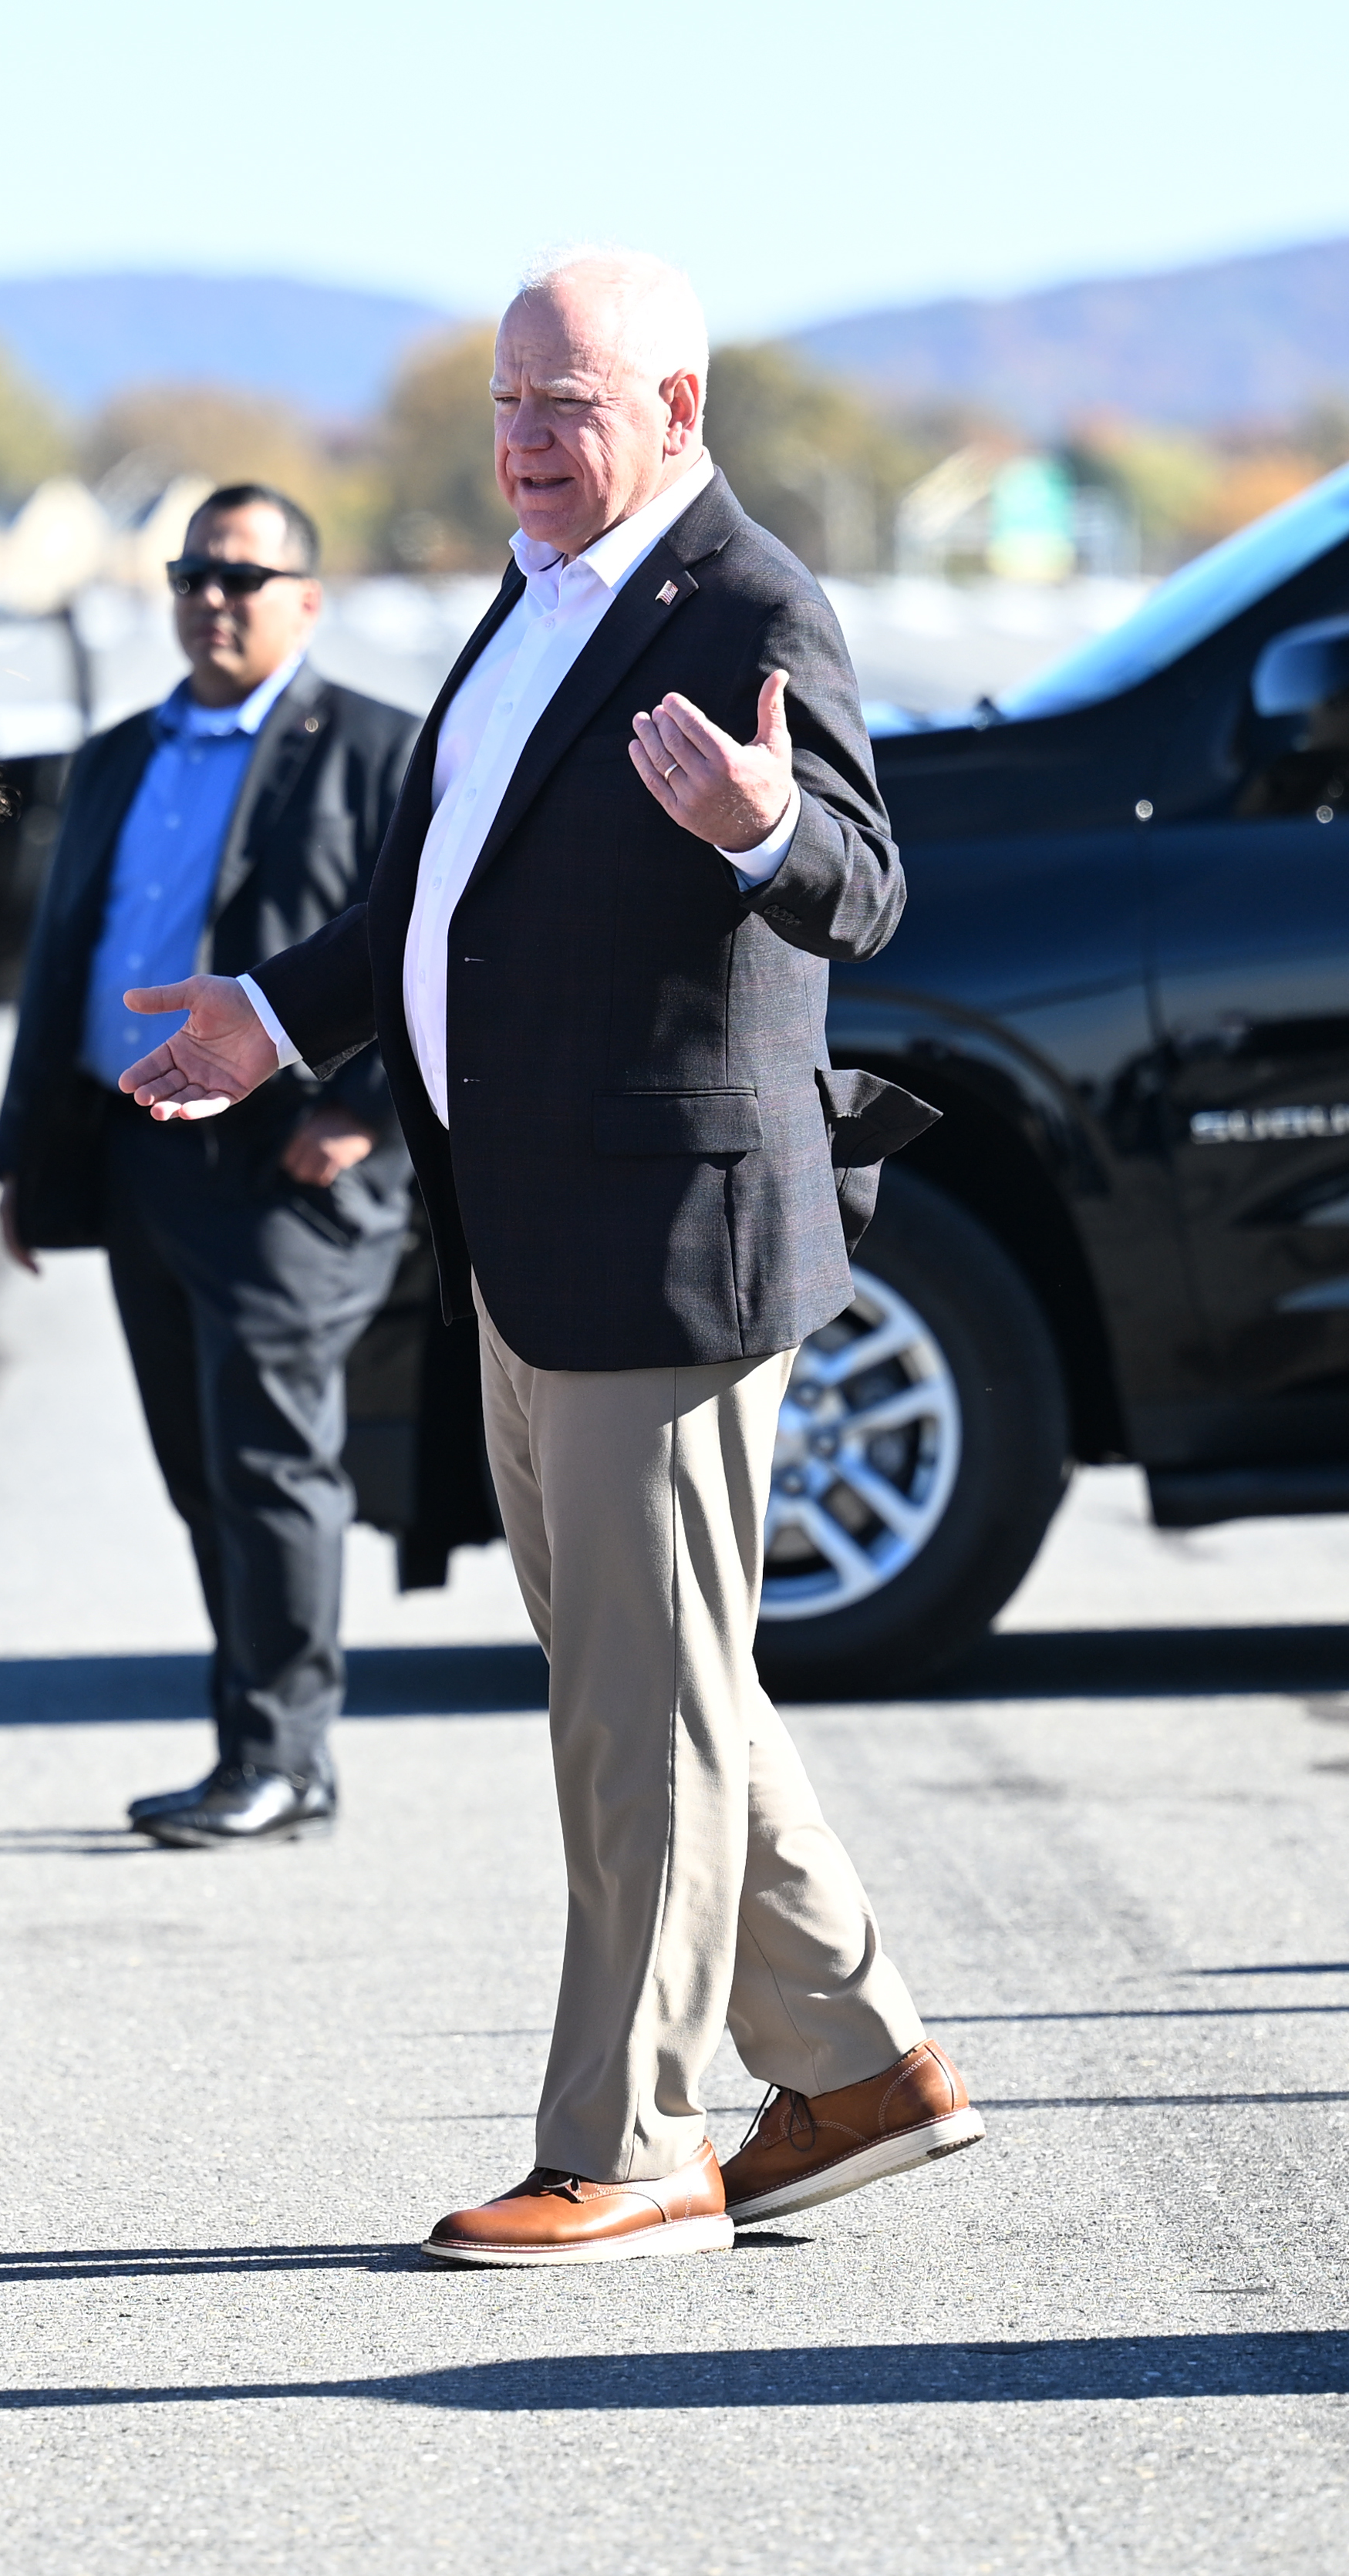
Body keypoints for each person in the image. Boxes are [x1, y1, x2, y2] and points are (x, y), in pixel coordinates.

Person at [117, 251, 983, 2263]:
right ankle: (855, 2070)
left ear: (674, 411)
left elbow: (864, 888)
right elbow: (445, 885)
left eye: (561, 407)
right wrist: (278, 1006)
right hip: (528, 1235)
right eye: (504, 403)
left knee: (635, 1710)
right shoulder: (537, 595)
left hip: (662, 1245)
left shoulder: (750, 603)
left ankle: (631, 2144)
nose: (517, 442)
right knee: (652, 1683)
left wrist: (770, 827)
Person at [0, 486, 419, 1848]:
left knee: (271, 1460)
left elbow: (447, 950)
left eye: (243, 574)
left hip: (291, 1165)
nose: (213, 596)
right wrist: (27, 1164)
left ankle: (283, 1759)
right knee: (198, 1469)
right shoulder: (119, 752)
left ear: (307, 596)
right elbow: (66, 960)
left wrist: (371, 1117)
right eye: (191, 572)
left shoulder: (373, 750)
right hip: (136, 1153)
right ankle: (259, 1749)